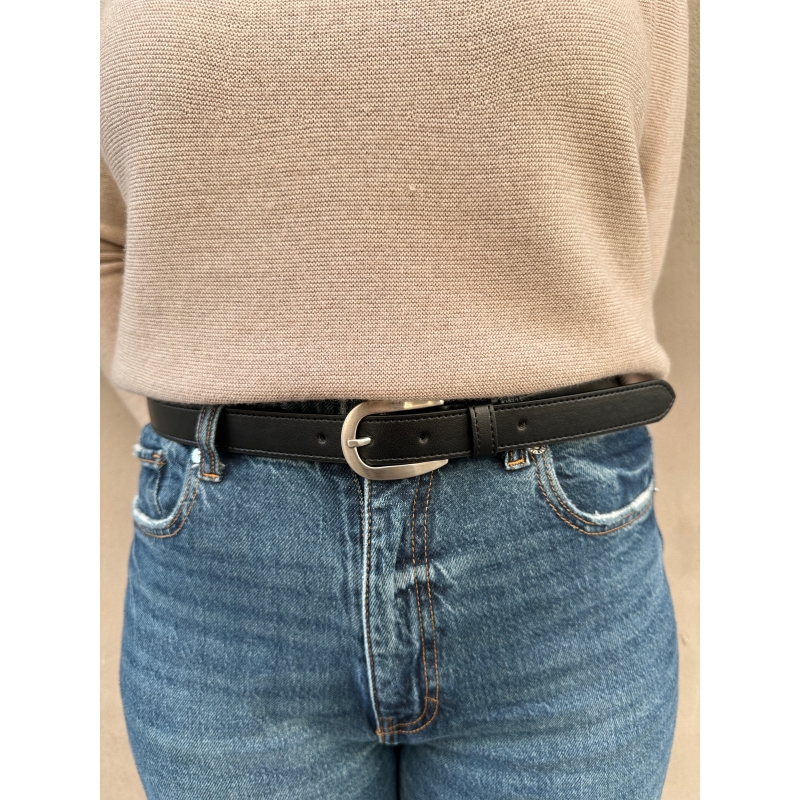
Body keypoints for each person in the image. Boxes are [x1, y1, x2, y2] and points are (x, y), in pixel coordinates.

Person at [101, 1, 689, 797]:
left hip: (557, 557)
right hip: (222, 565)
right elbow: (92, 240)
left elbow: (623, 222)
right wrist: (200, 420)